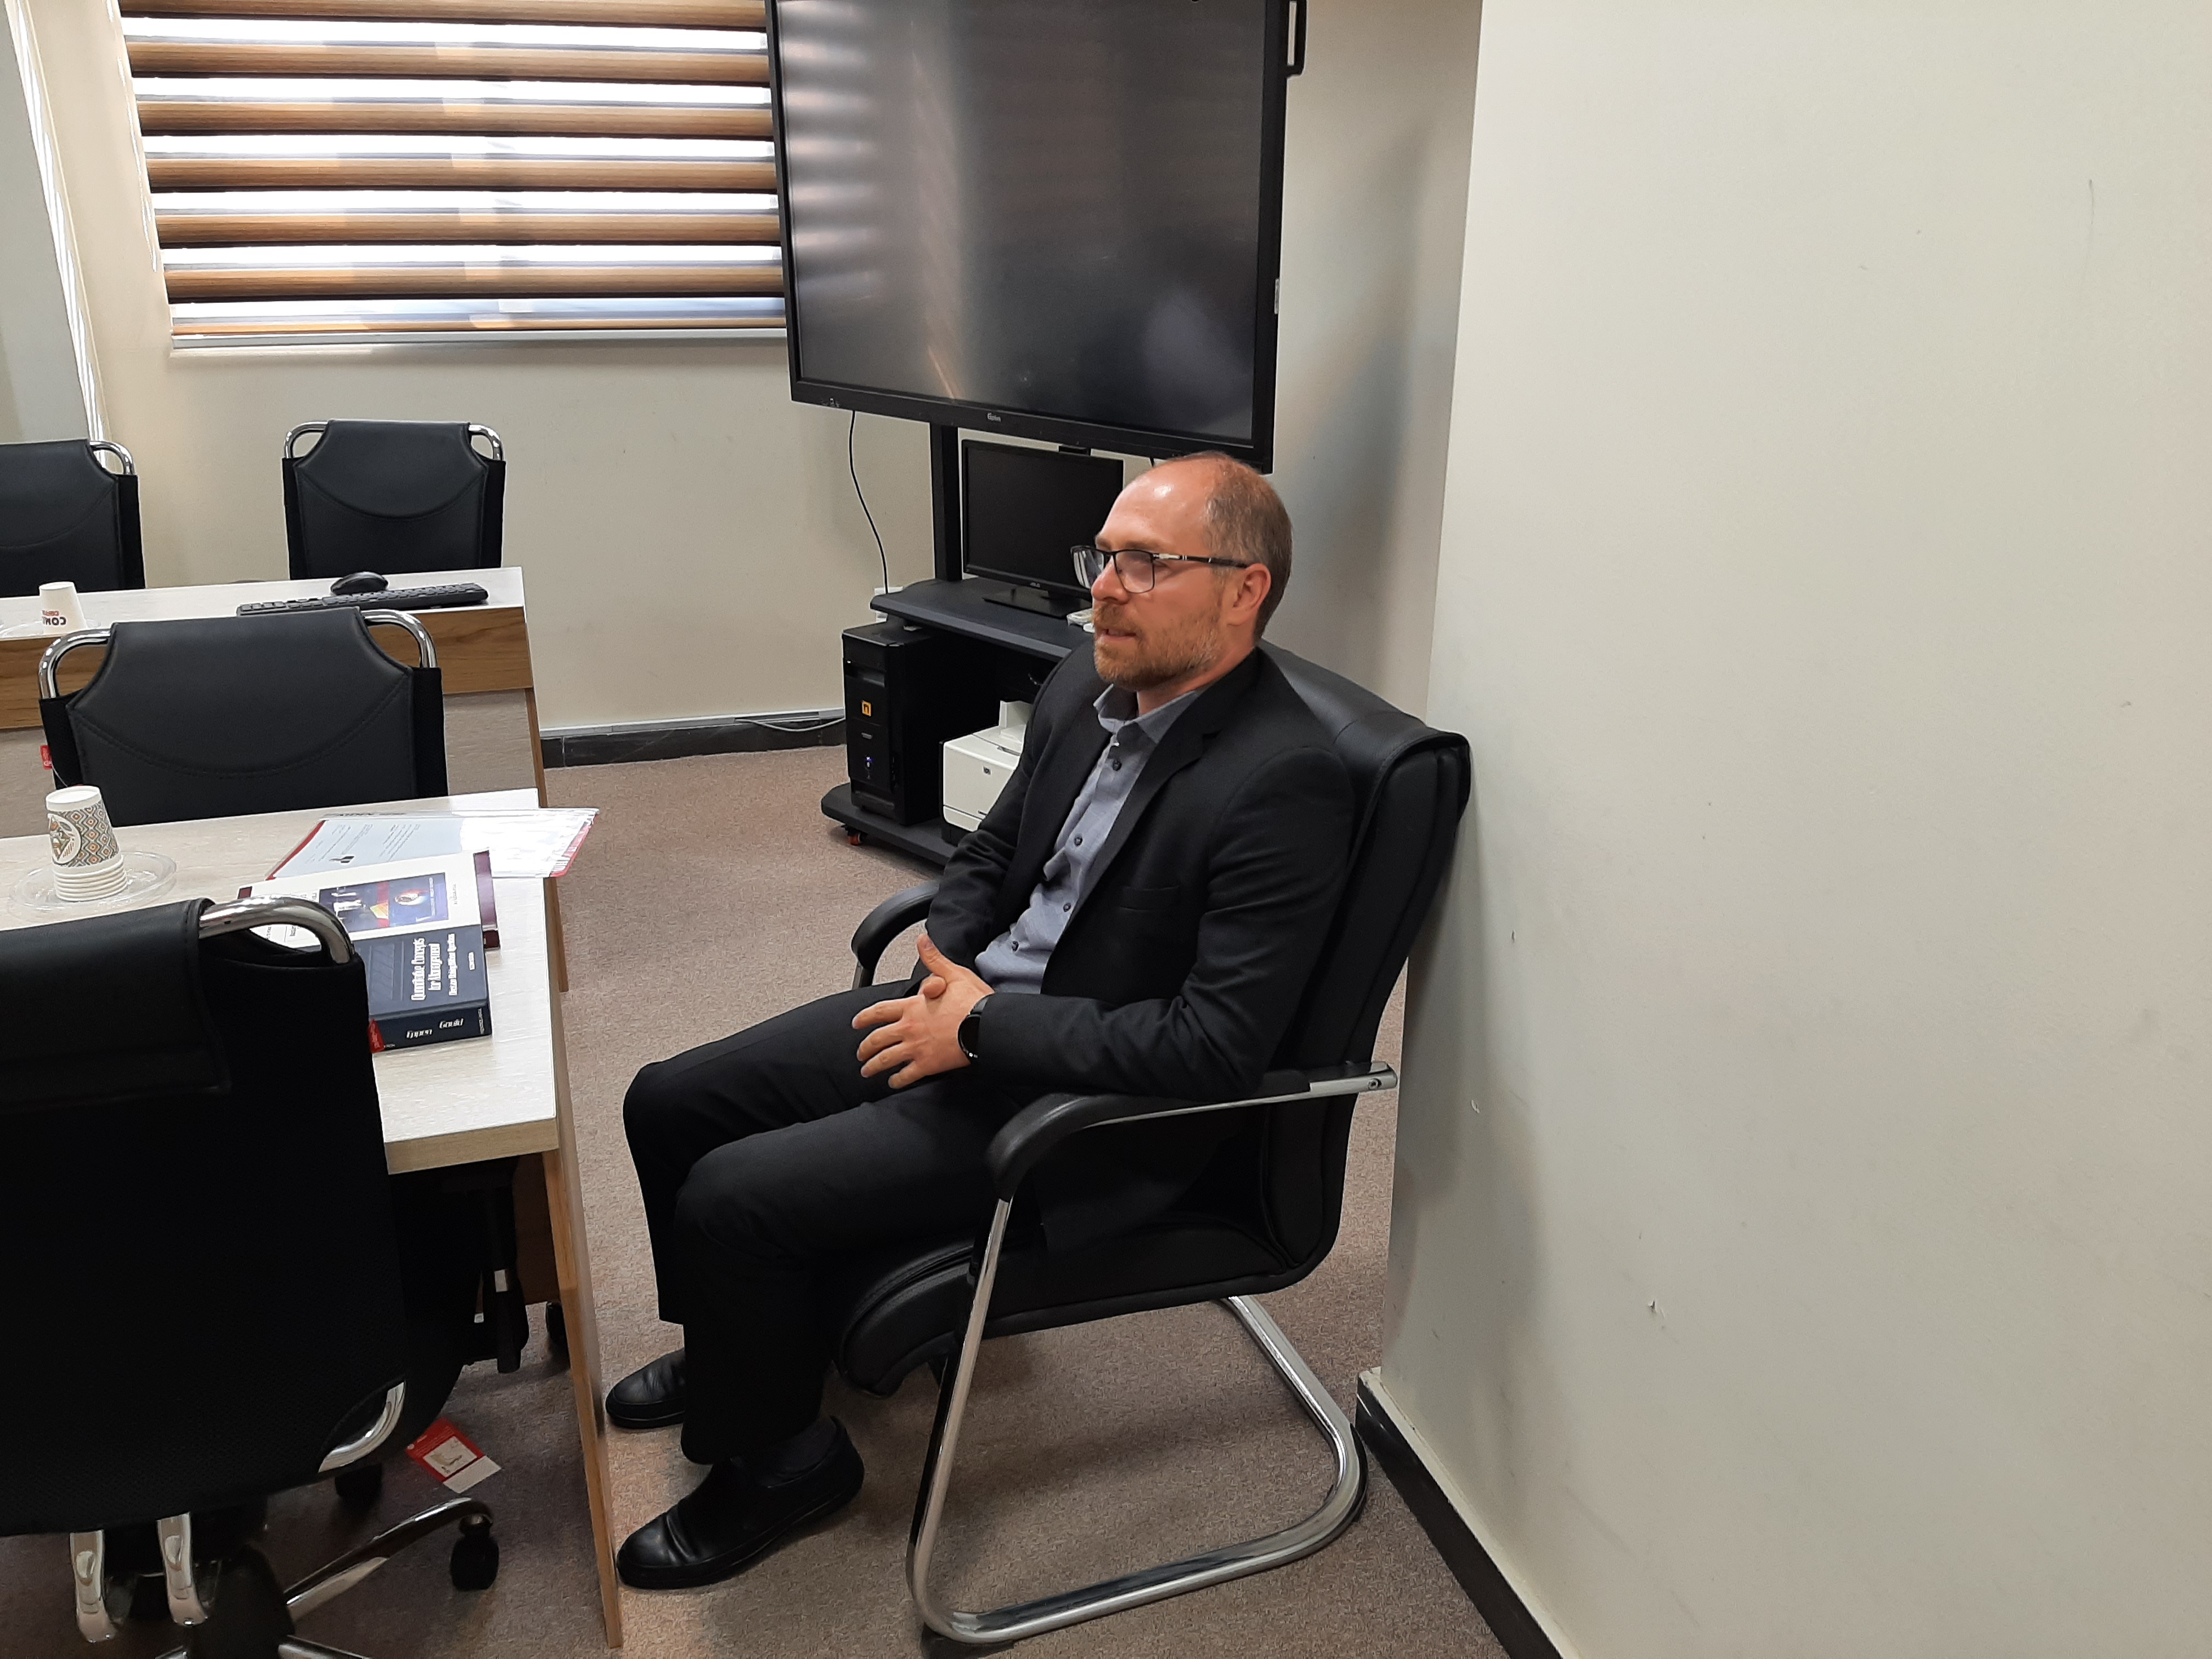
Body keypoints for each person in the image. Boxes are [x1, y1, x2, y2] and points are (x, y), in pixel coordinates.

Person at [610, 452, 1355, 1590]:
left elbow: (1212, 1046)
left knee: (733, 1198)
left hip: (1076, 1104)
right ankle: (732, 1358)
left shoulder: (1283, 781)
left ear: (1244, 590)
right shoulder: (1088, 682)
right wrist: (948, 959)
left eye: (1145, 564)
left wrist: (980, 1030)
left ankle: (786, 1465)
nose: (1105, 586)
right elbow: (994, 850)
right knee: (668, 1101)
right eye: (1103, 556)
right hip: (969, 1010)